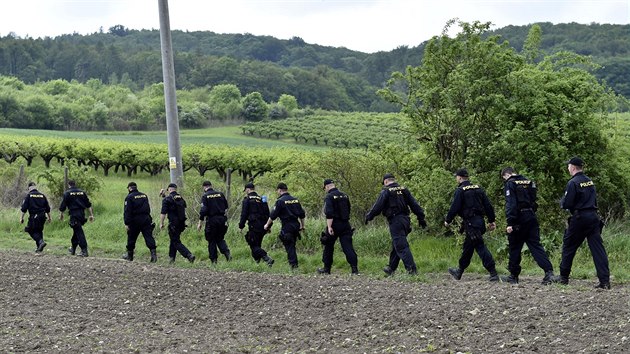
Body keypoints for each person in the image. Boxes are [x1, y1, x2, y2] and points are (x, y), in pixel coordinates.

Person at [553, 157, 610, 289]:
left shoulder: (573, 182)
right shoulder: (589, 181)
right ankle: (605, 281)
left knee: (569, 246)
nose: (567, 168)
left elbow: (567, 203)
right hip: (593, 217)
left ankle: (563, 277)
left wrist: (562, 202)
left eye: (568, 166)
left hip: (580, 218)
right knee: (598, 249)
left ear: (572, 167)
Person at [500, 167, 554, 284]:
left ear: (507, 175)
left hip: (519, 218)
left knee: (515, 247)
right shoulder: (528, 182)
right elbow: (534, 200)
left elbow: (511, 204)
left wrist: (511, 222)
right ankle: (549, 272)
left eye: (504, 178)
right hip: (531, 216)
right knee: (535, 246)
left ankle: (513, 276)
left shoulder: (510, 184)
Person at [365, 173, 427, 276]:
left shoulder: (386, 191)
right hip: (406, 220)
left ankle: (412, 270)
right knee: (397, 244)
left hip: (395, 221)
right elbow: (414, 205)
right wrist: (421, 218)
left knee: (401, 246)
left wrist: (369, 216)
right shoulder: (404, 190)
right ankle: (391, 268)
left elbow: (377, 206)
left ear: (385, 181)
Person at [444, 169, 499, 281]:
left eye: (456, 177)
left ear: (459, 178)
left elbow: (455, 207)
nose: (456, 179)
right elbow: (488, 205)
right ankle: (459, 271)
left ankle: (493, 273)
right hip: (479, 222)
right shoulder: (478, 189)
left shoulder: (461, 190)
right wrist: (491, 220)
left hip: (471, 224)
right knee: (468, 247)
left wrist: (448, 220)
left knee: (479, 246)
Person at [317, 179, 359, 275]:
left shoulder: (329, 196)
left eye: (325, 188)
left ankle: (326, 269)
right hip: (345, 224)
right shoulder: (344, 195)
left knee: (328, 246)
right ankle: (354, 269)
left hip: (334, 224)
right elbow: (348, 209)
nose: (325, 190)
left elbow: (329, 213)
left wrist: (329, 227)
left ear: (327, 186)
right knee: (348, 247)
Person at [264, 182, 305, 269]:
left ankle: (294, 266)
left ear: (279, 190)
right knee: (292, 244)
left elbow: (273, 215)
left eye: (277, 190)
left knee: (289, 245)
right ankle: (294, 264)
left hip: (287, 225)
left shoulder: (280, 201)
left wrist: (267, 225)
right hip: (296, 225)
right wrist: (302, 225)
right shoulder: (295, 200)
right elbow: (302, 214)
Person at [238, 182, 274, 266]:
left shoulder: (247, 200)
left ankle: (267, 258)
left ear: (247, 189)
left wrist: (241, 226)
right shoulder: (262, 199)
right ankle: (258, 264)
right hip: (263, 226)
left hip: (254, 225)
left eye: (246, 190)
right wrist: (268, 226)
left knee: (253, 245)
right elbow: (268, 214)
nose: (246, 192)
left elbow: (244, 214)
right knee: (257, 244)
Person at [159, 183, 195, 264]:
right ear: (175, 189)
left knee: (176, 241)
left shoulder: (167, 199)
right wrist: (164, 196)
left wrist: (161, 223)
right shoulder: (181, 198)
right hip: (181, 223)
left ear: (169, 189)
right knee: (173, 240)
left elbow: (163, 212)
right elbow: (173, 204)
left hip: (173, 224)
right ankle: (172, 259)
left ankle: (189, 255)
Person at [197, 180, 231, 263]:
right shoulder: (220, 194)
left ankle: (214, 260)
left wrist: (200, 223)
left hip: (212, 220)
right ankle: (227, 254)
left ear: (204, 187)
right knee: (220, 238)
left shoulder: (205, 196)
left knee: (211, 240)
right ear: (211, 186)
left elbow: (203, 211)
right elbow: (226, 208)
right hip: (222, 220)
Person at [122, 182, 157, 263]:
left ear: (130, 188)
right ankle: (153, 255)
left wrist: (127, 223)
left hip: (135, 220)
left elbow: (127, 211)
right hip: (146, 219)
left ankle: (129, 256)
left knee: (131, 237)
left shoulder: (129, 197)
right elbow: (148, 208)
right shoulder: (144, 195)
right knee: (149, 237)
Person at [59, 180, 94, 257]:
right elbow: (88, 204)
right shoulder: (82, 192)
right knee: (76, 231)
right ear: (75, 184)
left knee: (79, 232)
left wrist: (61, 215)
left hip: (74, 214)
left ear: (69, 185)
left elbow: (63, 206)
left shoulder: (67, 193)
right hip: (82, 214)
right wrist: (91, 215)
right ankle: (73, 249)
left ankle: (84, 250)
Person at [19, 182, 52, 253]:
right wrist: (49, 217)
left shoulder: (29, 196)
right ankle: (39, 248)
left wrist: (21, 218)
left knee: (30, 230)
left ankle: (41, 242)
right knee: (39, 231)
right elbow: (48, 208)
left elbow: (24, 208)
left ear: (29, 188)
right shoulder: (42, 195)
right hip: (43, 216)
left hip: (34, 216)